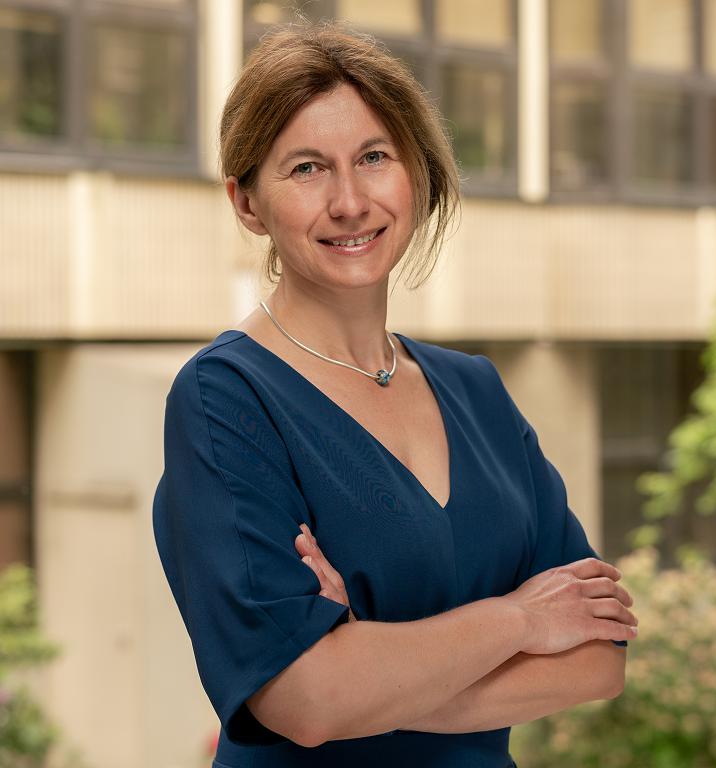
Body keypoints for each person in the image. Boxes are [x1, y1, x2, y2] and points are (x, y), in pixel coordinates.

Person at [152, 20, 638, 768]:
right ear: (247, 203)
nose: (350, 201)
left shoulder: (476, 393)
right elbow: (307, 702)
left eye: (374, 157)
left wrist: (372, 676)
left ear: (414, 171)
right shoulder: (226, 402)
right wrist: (518, 619)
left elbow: (599, 654)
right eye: (308, 168)